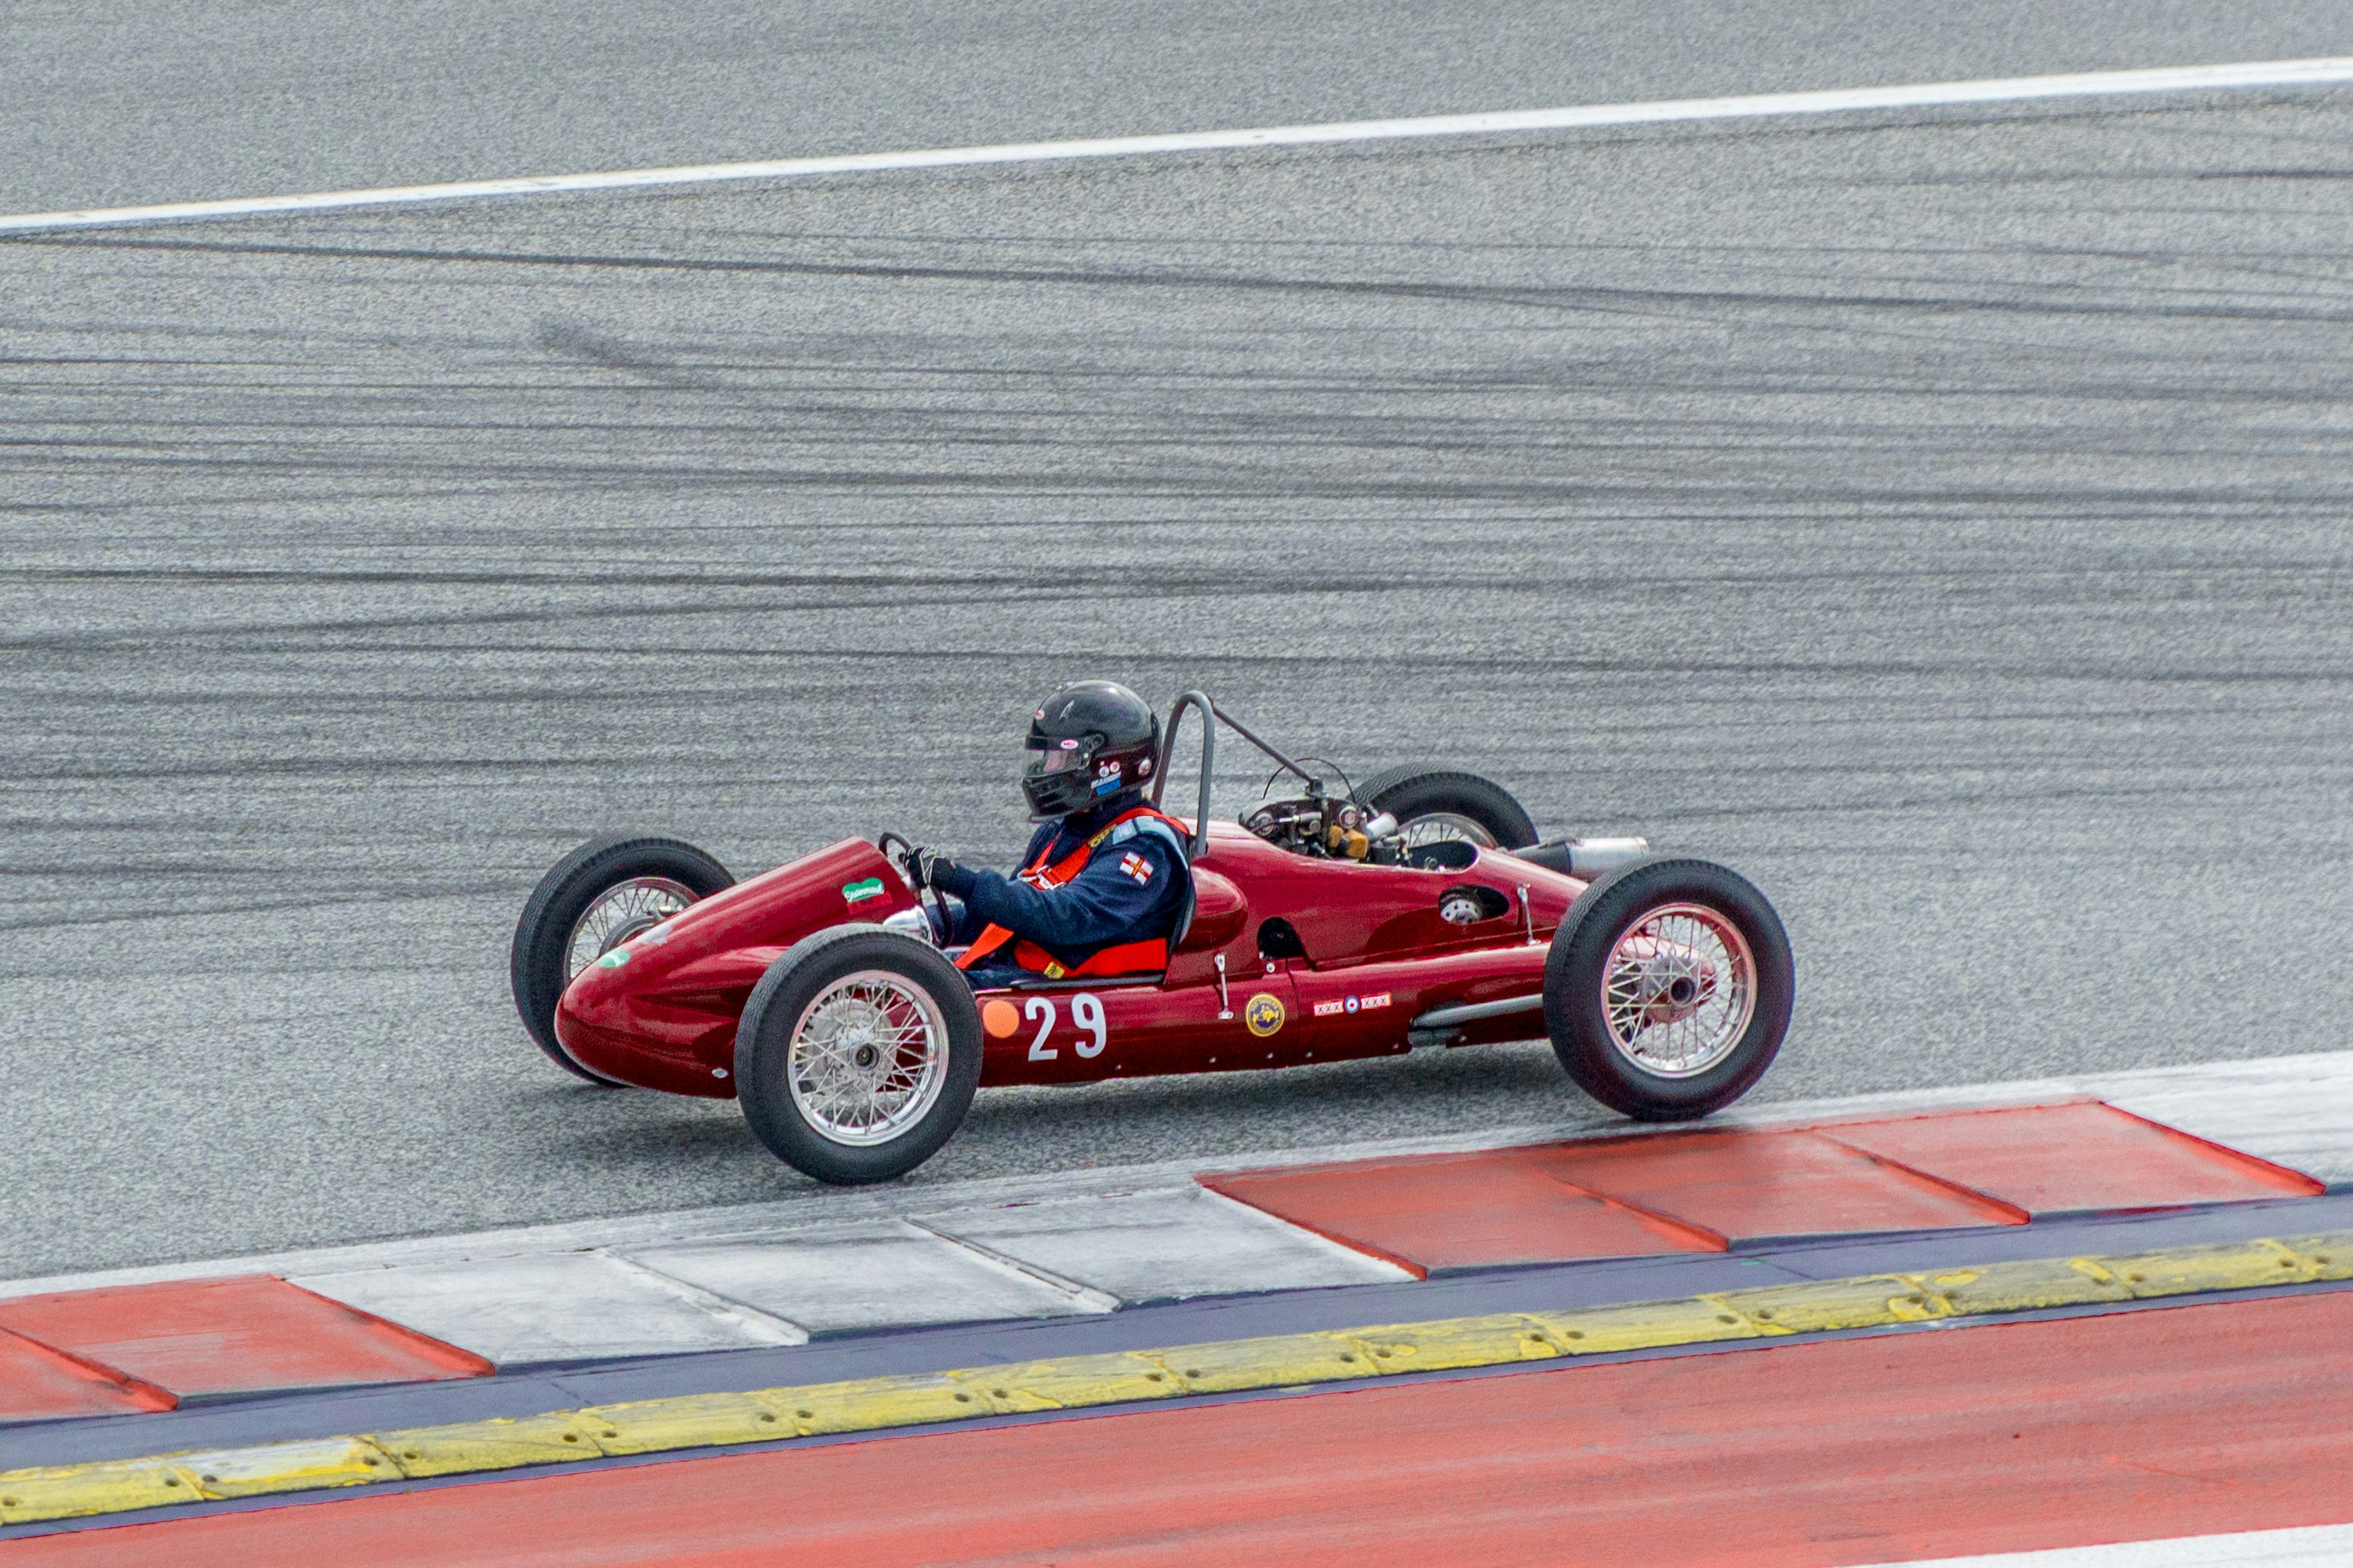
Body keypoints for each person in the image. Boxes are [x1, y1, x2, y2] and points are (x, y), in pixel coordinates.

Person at [900, 681, 1191, 988]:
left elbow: (1067, 919)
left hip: (1079, 990)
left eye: (1059, 758)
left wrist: (960, 880)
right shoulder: (1062, 830)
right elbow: (1010, 916)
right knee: (894, 966)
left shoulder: (1145, 850)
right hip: (1022, 972)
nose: (1044, 769)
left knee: (915, 990)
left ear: (1107, 767)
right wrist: (926, 925)